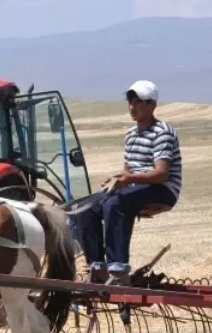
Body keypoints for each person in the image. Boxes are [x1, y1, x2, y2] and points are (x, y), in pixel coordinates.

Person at [76, 79, 182, 286]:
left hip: (163, 189)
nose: (132, 106)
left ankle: (118, 270)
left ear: (152, 105)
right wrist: (117, 179)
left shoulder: (162, 132)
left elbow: (161, 174)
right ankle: (97, 268)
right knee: (85, 207)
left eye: (138, 102)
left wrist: (129, 180)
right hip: (137, 187)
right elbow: (130, 170)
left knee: (115, 204)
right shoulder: (131, 134)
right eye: (130, 101)